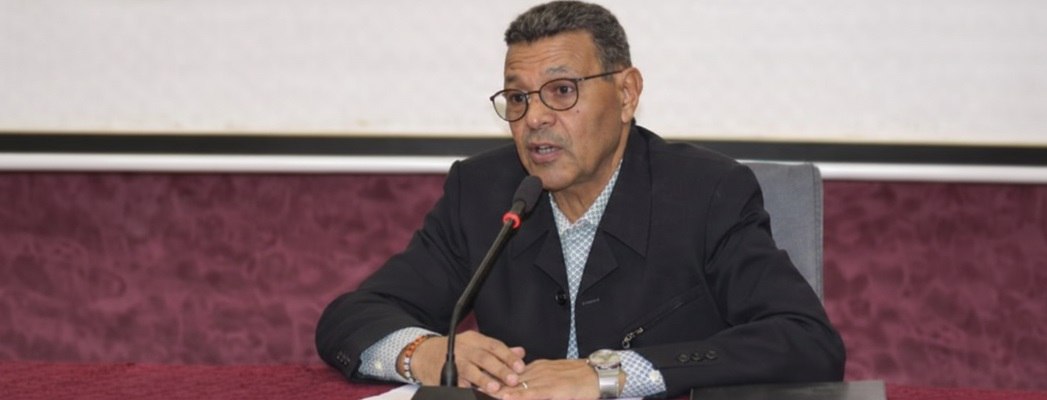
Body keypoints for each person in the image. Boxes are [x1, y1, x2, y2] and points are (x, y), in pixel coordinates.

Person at [316, 1, 845, 399]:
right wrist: (424, 352)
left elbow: (804, 340)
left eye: (562, 90)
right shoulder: (482, 191)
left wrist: (610, 376)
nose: (535, 118)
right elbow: (352, 316)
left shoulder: (707, 193)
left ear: (626, 94)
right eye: (518, 97)